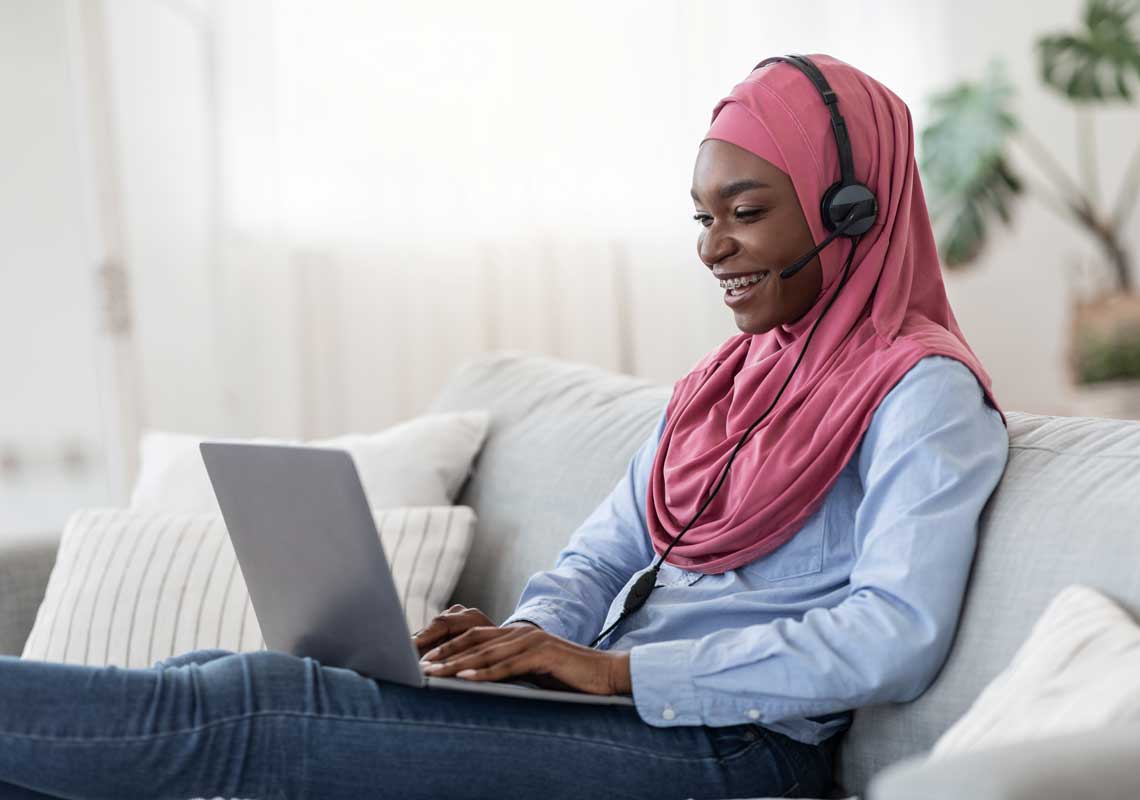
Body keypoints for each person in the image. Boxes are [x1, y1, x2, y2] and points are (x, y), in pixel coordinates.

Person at [0, 54, 1008, 800]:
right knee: (200, 684)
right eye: (701, 217)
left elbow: (896, 634)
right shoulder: (724, 384)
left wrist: (619, 668)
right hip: (619, 715)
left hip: (736, 751)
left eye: (743, 211)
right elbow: (603, 549)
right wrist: (532, 634)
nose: (713, 247)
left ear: (852, 209)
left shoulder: (920, 392)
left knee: (251, 706)